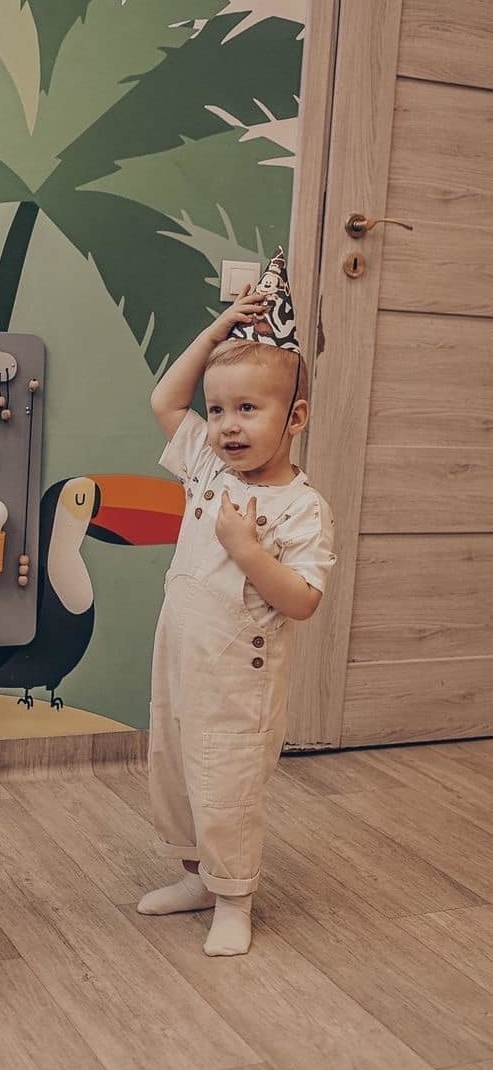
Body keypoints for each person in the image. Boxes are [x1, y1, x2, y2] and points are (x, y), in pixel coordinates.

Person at [138, 248, 335, 956]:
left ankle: (234, 897)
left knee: (226, 784)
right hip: (180, 663)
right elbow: (165, 401)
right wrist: (217, 330)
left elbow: (302, 599)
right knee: (176, 774)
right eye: (218, 409)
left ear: (295, 416)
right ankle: (198, 877)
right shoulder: (206, 465)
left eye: (248, 409)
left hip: (238, 684)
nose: (226, 425)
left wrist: (247, 551)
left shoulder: (300, 507)